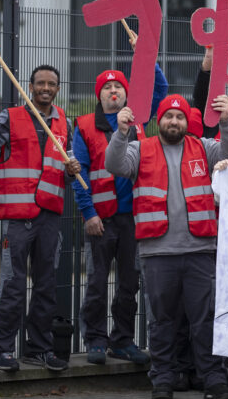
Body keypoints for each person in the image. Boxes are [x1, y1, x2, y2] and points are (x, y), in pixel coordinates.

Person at [105, 93, 228, 399]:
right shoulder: (140, 149)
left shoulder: (204, 148)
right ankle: (163, 378)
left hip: (200, 250)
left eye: (180, 117)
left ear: (185, 122)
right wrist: (121, 130)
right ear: (159, 120)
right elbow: (113, 164)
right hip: (158, 253)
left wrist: (226, 120)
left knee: (204, 319)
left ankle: (213, 378)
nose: (174, 122)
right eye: (169, 116)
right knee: (163, 320)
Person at [0, 64, 82, 372]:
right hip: (19, 217)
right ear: (30, 87)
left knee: (46, 285)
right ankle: (1, 349)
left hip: (49, 215)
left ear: (58, 89)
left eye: (52, 84)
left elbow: (68, 163)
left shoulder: (64, 122)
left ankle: (39, 348)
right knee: (13, 284)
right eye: (40, 83)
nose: (46, 88)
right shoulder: (10, 117)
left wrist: (73, 172)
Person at [72, 65, 167, 367]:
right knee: (97, 283)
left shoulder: (137, 119)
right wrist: (88, 213)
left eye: (119, 88)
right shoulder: (85, 126)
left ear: (127, 94)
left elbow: (160, 91)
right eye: (107, 89)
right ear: (98, 96)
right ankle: (96, 340)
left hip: (132, 218)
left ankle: (123, 340)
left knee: (130, 282)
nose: (114, 92)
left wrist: (148, 60)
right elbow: (79, 173)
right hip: (99, 219)